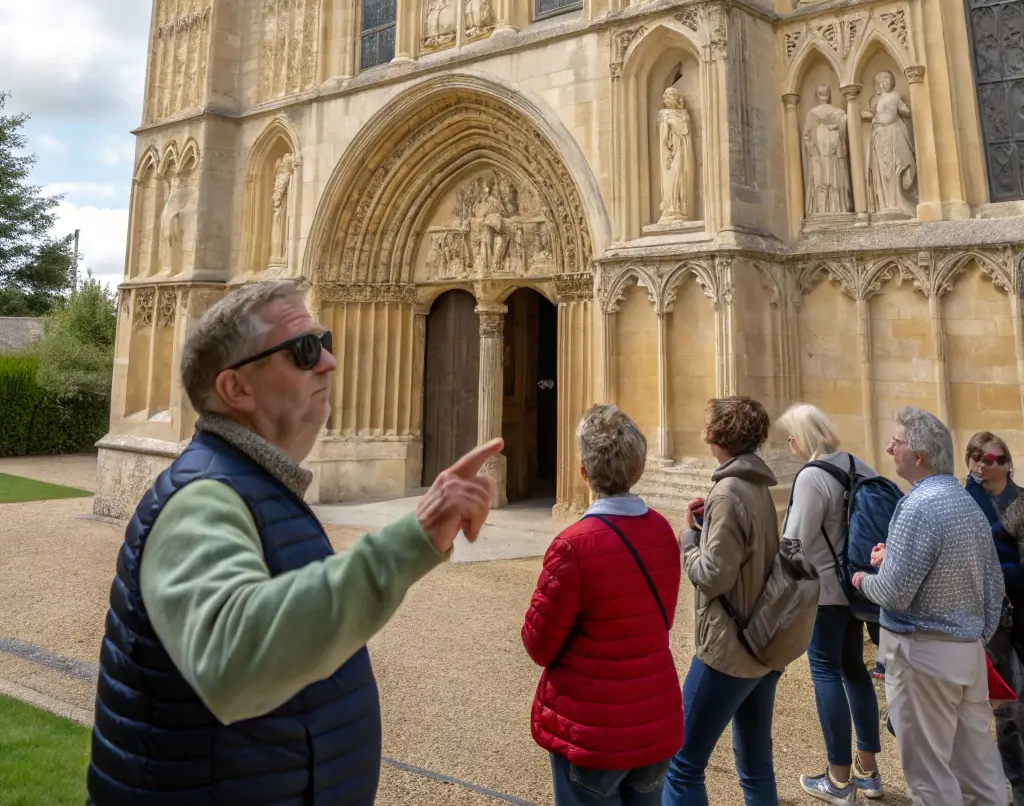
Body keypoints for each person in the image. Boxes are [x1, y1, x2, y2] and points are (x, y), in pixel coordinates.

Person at [87, 278, 500, 806]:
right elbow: (232, 660)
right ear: (236, 388)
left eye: (325, 342)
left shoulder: (251, 484)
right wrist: (412, 540)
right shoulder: (202, 499)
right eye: (305, 351)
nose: (329, 362)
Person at [522, 405, 682, 805]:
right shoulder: (662, 530)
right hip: (653, 721)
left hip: (593, 730)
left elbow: (538, 645)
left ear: (583, 473)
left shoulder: (574, 546)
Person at [852, 406, 1005, 806]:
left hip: (924, 653)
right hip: (968, 652)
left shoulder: (917, 505)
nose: (889, 448)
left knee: (930, 778)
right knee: (979, 774)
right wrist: (971, 637)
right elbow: (992, 586)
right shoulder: (966, 504)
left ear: (917, 456)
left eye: (897, 442)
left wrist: (862, 579)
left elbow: (895, 592)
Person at [662, 397, 781, 806]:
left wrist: (689, 540)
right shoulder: (757, 486)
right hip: (761, 641)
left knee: (681, 763)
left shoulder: (729, 492)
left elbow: (715, 575)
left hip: (729, 646)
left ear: (718, 434)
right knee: (755, 766)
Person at [777, 404, 883, 802]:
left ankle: (839, 780)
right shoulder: (861, 465)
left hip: (824, 592)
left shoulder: (811, 476)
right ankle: (868, 771)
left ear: (801, 439)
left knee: (825, 672)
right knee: (854, 668)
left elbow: (794, 542)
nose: (789, 444)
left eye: (790, 436)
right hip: (859, 586)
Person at [963, 431, 1024, 806]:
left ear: (1005, 463)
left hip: (1016, 617)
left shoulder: (1020, 503)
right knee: (996, 708)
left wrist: (993, 571)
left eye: (988, 458)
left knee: (1016, 707)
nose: (979, 465)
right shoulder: (963, 501)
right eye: (973, 457)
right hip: (977, 619)